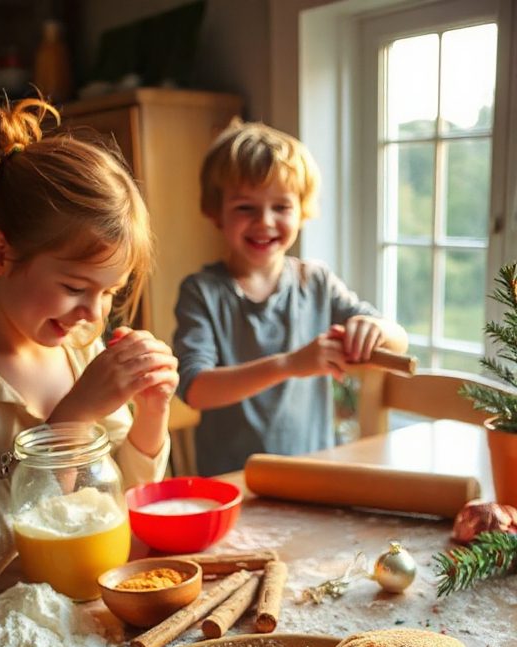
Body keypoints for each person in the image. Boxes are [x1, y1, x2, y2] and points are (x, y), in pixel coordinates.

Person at [0, 94, 178, 575]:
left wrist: (153, 412)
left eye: (110, 292)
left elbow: (128, 498)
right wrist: (74, 416)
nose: (94, 312)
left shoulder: (80, 347)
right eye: (74, 288)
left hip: (90, 593)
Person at [173, 118, 408, 476]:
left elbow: (397, 341)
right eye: (245, 207)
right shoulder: (201, 291)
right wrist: (290, 364)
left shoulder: (316, 283)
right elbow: (195, 389)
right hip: (234, 483)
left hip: (314, 475)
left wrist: (376, 329)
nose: (265, 222)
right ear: (215, 211)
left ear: (302, 211)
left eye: (281, 207)